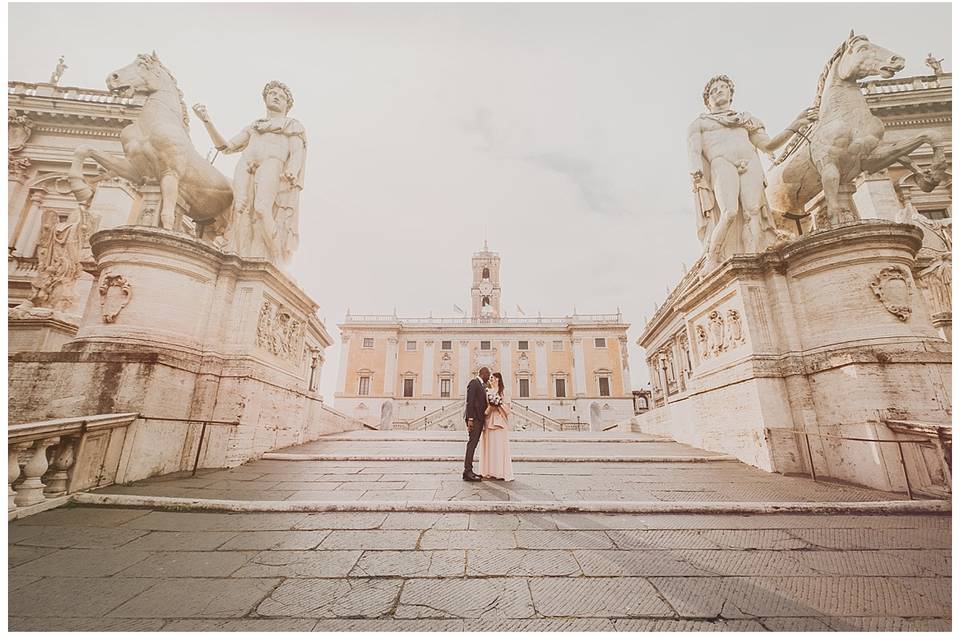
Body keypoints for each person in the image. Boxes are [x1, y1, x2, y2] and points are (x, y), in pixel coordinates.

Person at [687, 74, 816, 268]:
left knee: (752, 212)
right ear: (707, 101)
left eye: (723, 88)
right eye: (713, 91)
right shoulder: (700, 124)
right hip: (721, 163)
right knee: (729, 212)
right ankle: (712, 258)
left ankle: (752, 258)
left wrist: (794, 126)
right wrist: (696, 171)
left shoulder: (747, 120)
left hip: (750, 163)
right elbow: (694, 152)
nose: (719, 91)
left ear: (731, 94)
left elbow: (769, 146)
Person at [192, 81, 306, 265]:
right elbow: (226, 147)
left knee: (262, 208)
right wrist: (207, 121)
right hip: (246, 164)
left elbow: (297, 151)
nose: (276, 96)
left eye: (281, 96)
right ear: (265, 98)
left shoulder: (292, 125)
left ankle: (276, 259)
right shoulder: (254, 126)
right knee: (240, 210)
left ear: (287, 105)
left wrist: (292, 169)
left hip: (272, 162)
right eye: (272, 93)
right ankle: (238, 255)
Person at [477, 372, 514, 481]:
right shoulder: (486, 391)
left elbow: (508, 408)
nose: (490, 379)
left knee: (499, 447)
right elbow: (483, 407)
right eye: (490, 378)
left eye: (492, 378)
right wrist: (489, 408)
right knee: (490, 447)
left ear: (498, 379)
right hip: (488, 421)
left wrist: (497, 405)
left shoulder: (504, 392)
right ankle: (489, 471)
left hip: (499, 422)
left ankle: (499, 472)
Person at [462, 366, 490, 481]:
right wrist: (470, 419)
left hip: (479, 419)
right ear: (483, 374)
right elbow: (470, 401)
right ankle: (467, 471)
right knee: (472, 444)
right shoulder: (474, 383)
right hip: (474, 420)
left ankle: (469, 471)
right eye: (488, 375)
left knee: (473, 444)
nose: (489, 377)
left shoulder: (482, 385)